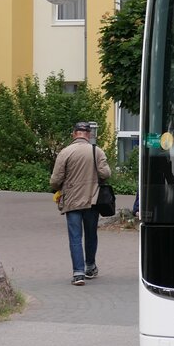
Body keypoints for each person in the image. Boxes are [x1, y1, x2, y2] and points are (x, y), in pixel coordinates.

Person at [50, 122, 112, 285]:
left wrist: (59, 188)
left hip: (72, 202)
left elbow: (55, 180)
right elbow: (105, 173)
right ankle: (90, 266)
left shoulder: (65, 152)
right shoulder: (96, 151)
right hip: (92, 200)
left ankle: (78, 274)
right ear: (89, 134)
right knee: (91, 235)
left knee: (75, 238)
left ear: (74, 134)